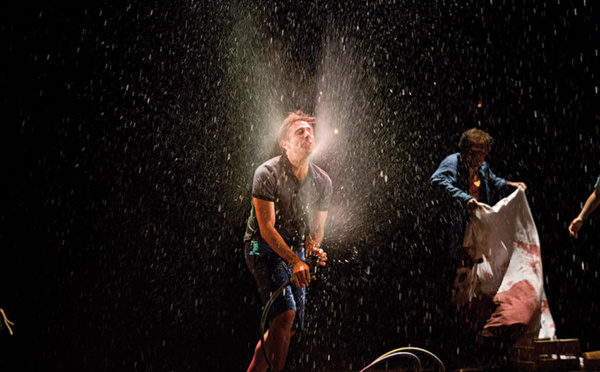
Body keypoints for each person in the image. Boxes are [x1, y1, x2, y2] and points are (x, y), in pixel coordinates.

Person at [429, 127, 526, 368]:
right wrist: (465, 199)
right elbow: (437, 180)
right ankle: (445, 349)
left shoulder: (482, 168)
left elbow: (492, 180)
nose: (476, 154)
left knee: (476, 290)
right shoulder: (453, 162)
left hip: (474, 238)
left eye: (481, 151)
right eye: (472, 149)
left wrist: (510, 184)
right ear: (463, 149)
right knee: (453, 286)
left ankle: (471, 344)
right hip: (454, 234)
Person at [243, 110, 332, 372]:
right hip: (260, 245)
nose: (308, 135)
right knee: (285, 314)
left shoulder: (323, 181)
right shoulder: (266, 172)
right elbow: (267, 228)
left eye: (310, 132)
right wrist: (295, 261)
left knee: (287, 328)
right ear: (284, 143)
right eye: (299, 132)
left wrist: (313, 249)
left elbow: (317, 229)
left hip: (293, 248)